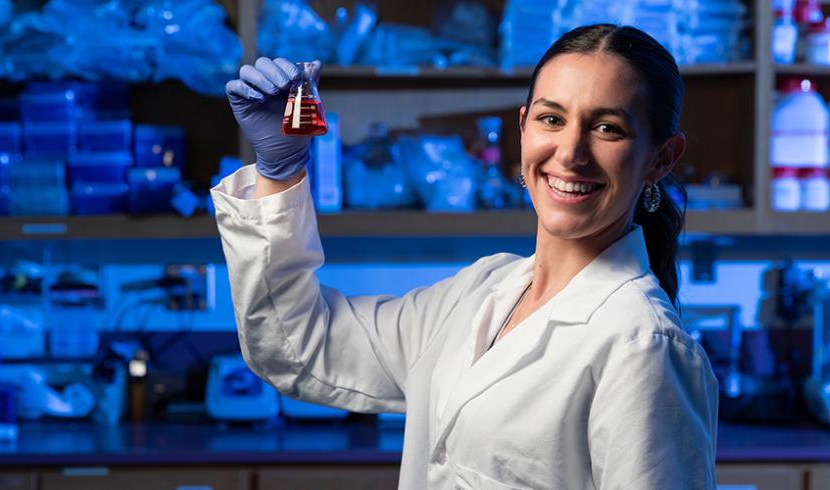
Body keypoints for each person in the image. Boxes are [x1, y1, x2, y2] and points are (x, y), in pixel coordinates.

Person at [214, 24, 717, 489]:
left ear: (661, 158)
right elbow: (299, 346)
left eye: (608, 128)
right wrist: (279, 171)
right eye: (551, 119)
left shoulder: (643, 345)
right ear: (523, 128)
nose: (570, 152)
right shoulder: (481, 292)